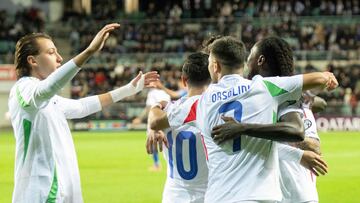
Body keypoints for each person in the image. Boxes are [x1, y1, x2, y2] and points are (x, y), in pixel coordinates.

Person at [162, 36, 338, 202]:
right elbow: (318, 79)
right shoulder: (264, 88)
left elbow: (159, 120)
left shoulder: (202, 102)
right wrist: (326, 79)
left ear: (215, 66)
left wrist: (153, 126)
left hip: (220, 195)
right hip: (262, 194)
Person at [8, 23, 159, 203]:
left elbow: (82, 107)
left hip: (62, 190)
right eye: (51, 52)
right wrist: (89, 51)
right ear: (32, 61)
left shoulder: (49, 99)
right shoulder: (24, 89)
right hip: (40, 192)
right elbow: (47, 89)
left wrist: (128, 90)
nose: (59, 58)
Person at [211, 37, 327, 202]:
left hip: (297, 193)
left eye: (250, 55)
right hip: (268, 193)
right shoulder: (254, 97)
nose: (246, 62)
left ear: (260, 60)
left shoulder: (290, 100)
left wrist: (294, 151)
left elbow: (314, 146)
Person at [147, 52, 211, 203]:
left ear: (183, 80)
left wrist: (153, 126)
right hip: (209, 194)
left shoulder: (168, 111)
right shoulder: (215, 110)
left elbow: (155, 118)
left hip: (174, 195)